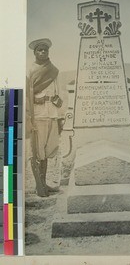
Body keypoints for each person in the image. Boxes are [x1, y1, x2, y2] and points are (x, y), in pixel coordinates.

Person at [27, 38, 64, 197]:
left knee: (48, 149)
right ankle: (39, 185)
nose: (43, 52)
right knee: (37, 150)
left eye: (45, 50)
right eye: (39, 50)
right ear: (34, 52)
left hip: (52, 114)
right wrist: (34, 102)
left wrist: (60, 115)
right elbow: (26, 94)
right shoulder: (29, 70)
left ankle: (44, 182)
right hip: (38, 115)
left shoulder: (53, 70)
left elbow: (58, 92)